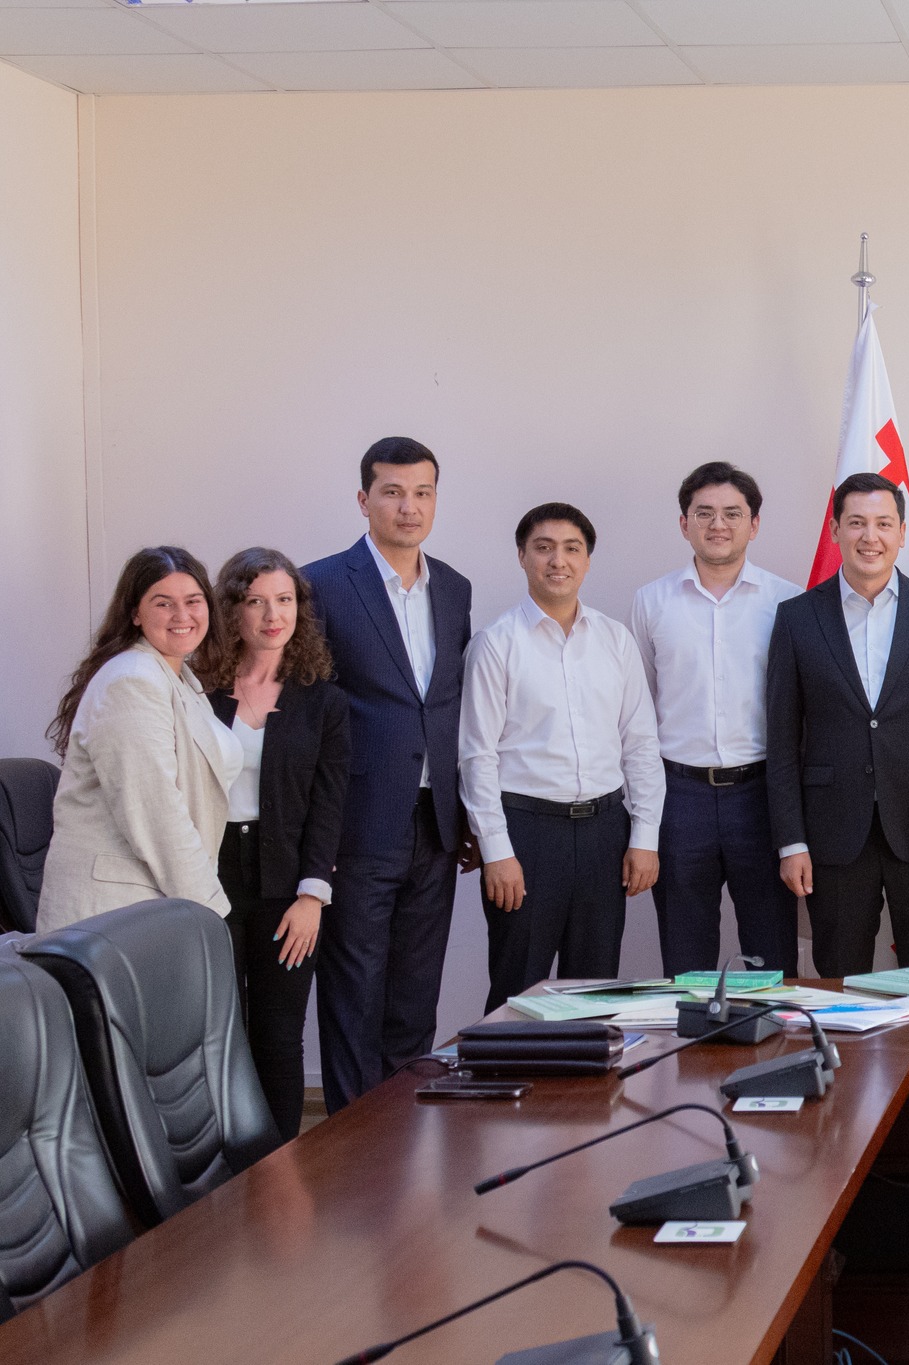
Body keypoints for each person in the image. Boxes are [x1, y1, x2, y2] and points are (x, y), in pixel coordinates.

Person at [302, 437, 473, 1112]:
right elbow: (309, 714)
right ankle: (350, 1143)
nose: (409, 507)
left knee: (413, 995)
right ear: (363, 499)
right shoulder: (320, 585)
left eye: (423, 492)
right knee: (354, 994)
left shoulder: (453, 588)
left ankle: (402, 1137)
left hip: (435, 824)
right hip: (357, 824)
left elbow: (448, 704)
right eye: (393, 492)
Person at [461, 504, 663, 1011]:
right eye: (544, 548)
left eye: (572, 548)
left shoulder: (616, 640)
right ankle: (509, 1066)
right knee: (517, 989)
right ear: (522, 556)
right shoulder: (495, 643)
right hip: (526, 835)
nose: (558, 560)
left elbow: (640, 744)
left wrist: (644, 837)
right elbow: (477, 755)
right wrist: (496, 850)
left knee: (593, 992)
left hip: (604, 834)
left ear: (587, 560)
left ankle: (585, 1069)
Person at [766, 473, 909, 977]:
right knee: (839, 977)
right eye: (856, 523)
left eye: (883, 523)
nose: (869, 536)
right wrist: (792, 842)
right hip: (831, 835)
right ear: (835, 530)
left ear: (902, 533)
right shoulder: (797, 618)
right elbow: (783, 740)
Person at [202, 548, 352, 1146]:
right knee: (217, 1029)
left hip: (288, 884)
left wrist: (313, 895)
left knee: (279, 1032)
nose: (273, 615)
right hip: (207, 875)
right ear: (231, 610)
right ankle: (222, 1166)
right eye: (256, 601)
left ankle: (279, 1164)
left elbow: (329, 806)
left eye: (284, 600)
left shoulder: (323, 701)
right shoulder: (197, 690)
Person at [631, 462, 803, 975]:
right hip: (679, 797)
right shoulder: (651, 601)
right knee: (686, 957)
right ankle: (693, 1031)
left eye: (733, 513)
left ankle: (774, 1032)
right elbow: (639, 707)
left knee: (772, 954)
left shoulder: (787, 601)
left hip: (762, 796)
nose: (718, 524)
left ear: (755, 524)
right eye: (704, 513)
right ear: (684, 523)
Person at [41, 548, 242, 930]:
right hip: (114, 914)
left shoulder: (178, 678)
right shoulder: (132, 680)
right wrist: (209, 911)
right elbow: (156, 813)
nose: (182, 615)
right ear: (135, 613)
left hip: (153, 903)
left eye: (193, 601)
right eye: (163, 603)